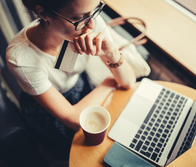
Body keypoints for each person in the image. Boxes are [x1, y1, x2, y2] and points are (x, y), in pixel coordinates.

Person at [6, 0, 136, 163]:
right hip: (48, 110)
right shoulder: (20, 58)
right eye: (78, 18)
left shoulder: (90, 21)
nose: (91, 26)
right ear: (43, 13)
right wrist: (108, 83)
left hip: (81, 86)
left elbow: (129, 82)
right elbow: (74, 120)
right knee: (75, 153)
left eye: (95, 11)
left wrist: (111, 52)